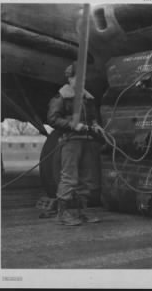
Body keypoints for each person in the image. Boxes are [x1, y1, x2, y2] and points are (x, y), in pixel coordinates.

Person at [47, 63, 103, 226]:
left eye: (83, 79)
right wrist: (73, 125)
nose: (81, 82)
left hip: (88, 140)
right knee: (69, 177)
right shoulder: (61, 96)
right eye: (78, 78)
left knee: (87, 179)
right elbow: (53, 118)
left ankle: (81, 211)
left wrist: (96, 125)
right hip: (71, 140)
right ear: (70, 78)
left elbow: (93, 118)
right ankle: (62, 213)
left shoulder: (88, 97)